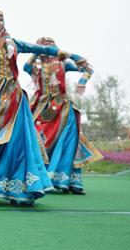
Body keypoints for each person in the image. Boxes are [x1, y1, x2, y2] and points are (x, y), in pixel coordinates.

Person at [0, 11, 83, 205]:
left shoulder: (12, 43)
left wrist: (73, 56)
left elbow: (40, 49)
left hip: (14, 99)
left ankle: (17, 188)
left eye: (0, 20)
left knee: (16, 142)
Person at [24, 37, 101, 194]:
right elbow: (26, 67)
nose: (48, 49)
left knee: (67, 142)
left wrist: (82, 82)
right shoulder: (36, 65)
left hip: (62, 107)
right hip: (40, 107)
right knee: (38, 140)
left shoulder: (62, 63)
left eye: (50, 46)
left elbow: (88, 69)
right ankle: (40, 177)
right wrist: (35, 52)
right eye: (44, 46)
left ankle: (65, 179)